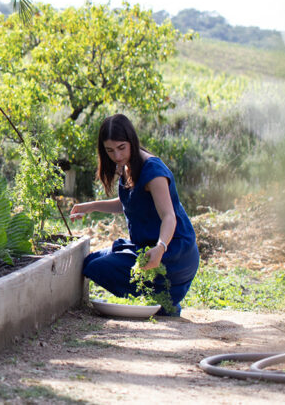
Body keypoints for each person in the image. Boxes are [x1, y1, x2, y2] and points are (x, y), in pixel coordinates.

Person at [69, 113, 199, 315]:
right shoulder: (126, 167)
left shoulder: (153, 171)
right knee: (91, 263)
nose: (117, 156)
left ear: (132, 141)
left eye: (121, 148)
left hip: (173, 252)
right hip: (144, 247)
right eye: (110, 151)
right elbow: (128, 203)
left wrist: (160, 248)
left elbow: (169, 216)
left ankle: (162, 301)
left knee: (99, 268)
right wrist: (90, 206)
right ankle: (154, 300)